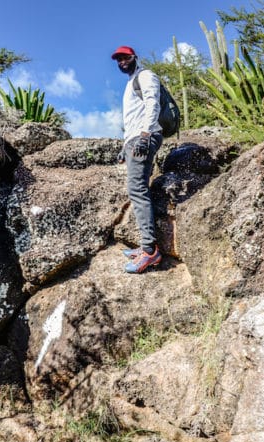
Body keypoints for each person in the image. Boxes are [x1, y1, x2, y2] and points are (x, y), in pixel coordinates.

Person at [112, 45, 163, 274]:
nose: (122, 62)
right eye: (118, 60)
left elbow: (153, 102)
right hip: (134, 139)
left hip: (145, 137)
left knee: (137, 190)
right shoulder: (130, 82)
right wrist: (126, 145)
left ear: (134, 58)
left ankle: (149, 252)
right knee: (138, 190)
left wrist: (144, 136)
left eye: (125, 58)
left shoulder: (145, 75)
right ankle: (146, 247)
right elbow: (133, 118)